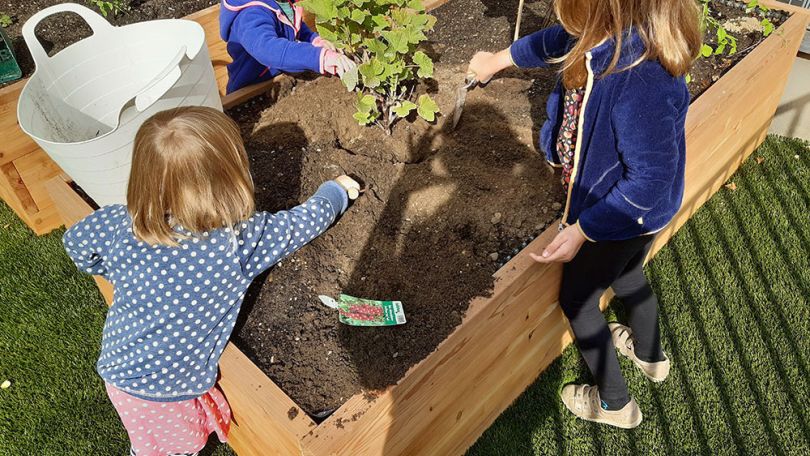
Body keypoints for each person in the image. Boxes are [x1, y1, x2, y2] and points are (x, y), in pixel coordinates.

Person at [62, 106, 360, 455]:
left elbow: (75, 245)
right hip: (167, 393)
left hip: (119, 366)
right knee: (175, 447)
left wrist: (113, 270)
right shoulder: (236, 242)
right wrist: (335, 192)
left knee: (146, 442)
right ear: (231, 178)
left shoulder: (122, 223)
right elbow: (301, 225)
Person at [467, 0, 701, 429]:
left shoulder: (641, 80)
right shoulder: (605, 32)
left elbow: (648, 179)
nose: (559, 16)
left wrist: (583, 230)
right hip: (638, 217)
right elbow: (551, 42)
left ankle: (615, 403)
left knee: (577, 300)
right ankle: (651, 357)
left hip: (619, 214)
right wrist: (495, 61)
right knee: (629, 276)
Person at [219, 0, 356, 93]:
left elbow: (293, 27)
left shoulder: (282, 3)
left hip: (280, 74)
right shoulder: (250, 14)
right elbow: (269, 49)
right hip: (252, 86)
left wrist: (314, 40)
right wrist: (320, 57)